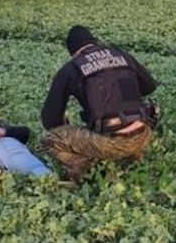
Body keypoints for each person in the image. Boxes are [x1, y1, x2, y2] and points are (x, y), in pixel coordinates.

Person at [39, 25, 159, 183]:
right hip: (143, 133)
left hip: (110, 142)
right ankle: (132, 158)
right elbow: (149, 87)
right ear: (94, 42)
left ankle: (90, 171)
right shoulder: (123, 55)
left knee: (50, 139)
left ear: (73, 52)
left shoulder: (71, 69)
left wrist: (65, 122)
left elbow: (50, 120)